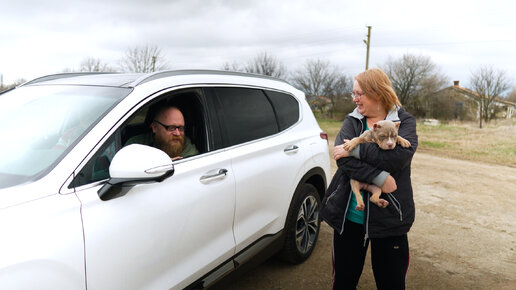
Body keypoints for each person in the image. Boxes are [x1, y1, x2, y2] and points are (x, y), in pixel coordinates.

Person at [320, 68, 418, 290]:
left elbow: (399, 157)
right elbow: (340, 158)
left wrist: (354, 150)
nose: (355, 99)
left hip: (390, 219)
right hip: (349, 217)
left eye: (359, 93)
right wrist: (380, 177)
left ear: (378, 93)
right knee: (343, 282)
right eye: (353, 93)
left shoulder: (404, 121)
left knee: (391, 284)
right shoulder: (353, 120)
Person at [126, 105, 199, 160]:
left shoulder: (185, 145)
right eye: (171, 128)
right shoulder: (136, 145)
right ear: (155, 128)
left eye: (181, 128)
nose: (177, 133)